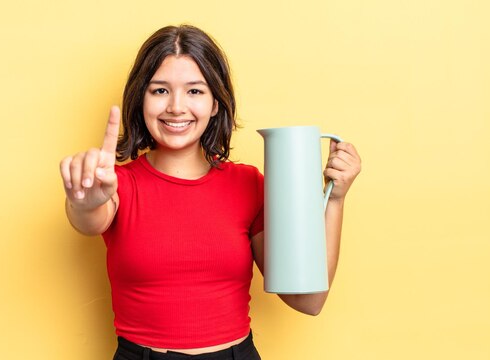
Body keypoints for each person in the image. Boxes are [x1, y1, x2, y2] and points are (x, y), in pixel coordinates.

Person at [59, 25, 361, 360]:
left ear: (216, 103)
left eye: (195, 91)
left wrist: (334, 198)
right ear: (140, 99)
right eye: (159, 90)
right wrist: (82, 201)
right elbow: (89, 218)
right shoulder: (114, 185)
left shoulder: (249, 185)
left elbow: (309, 301)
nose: (176, 107)